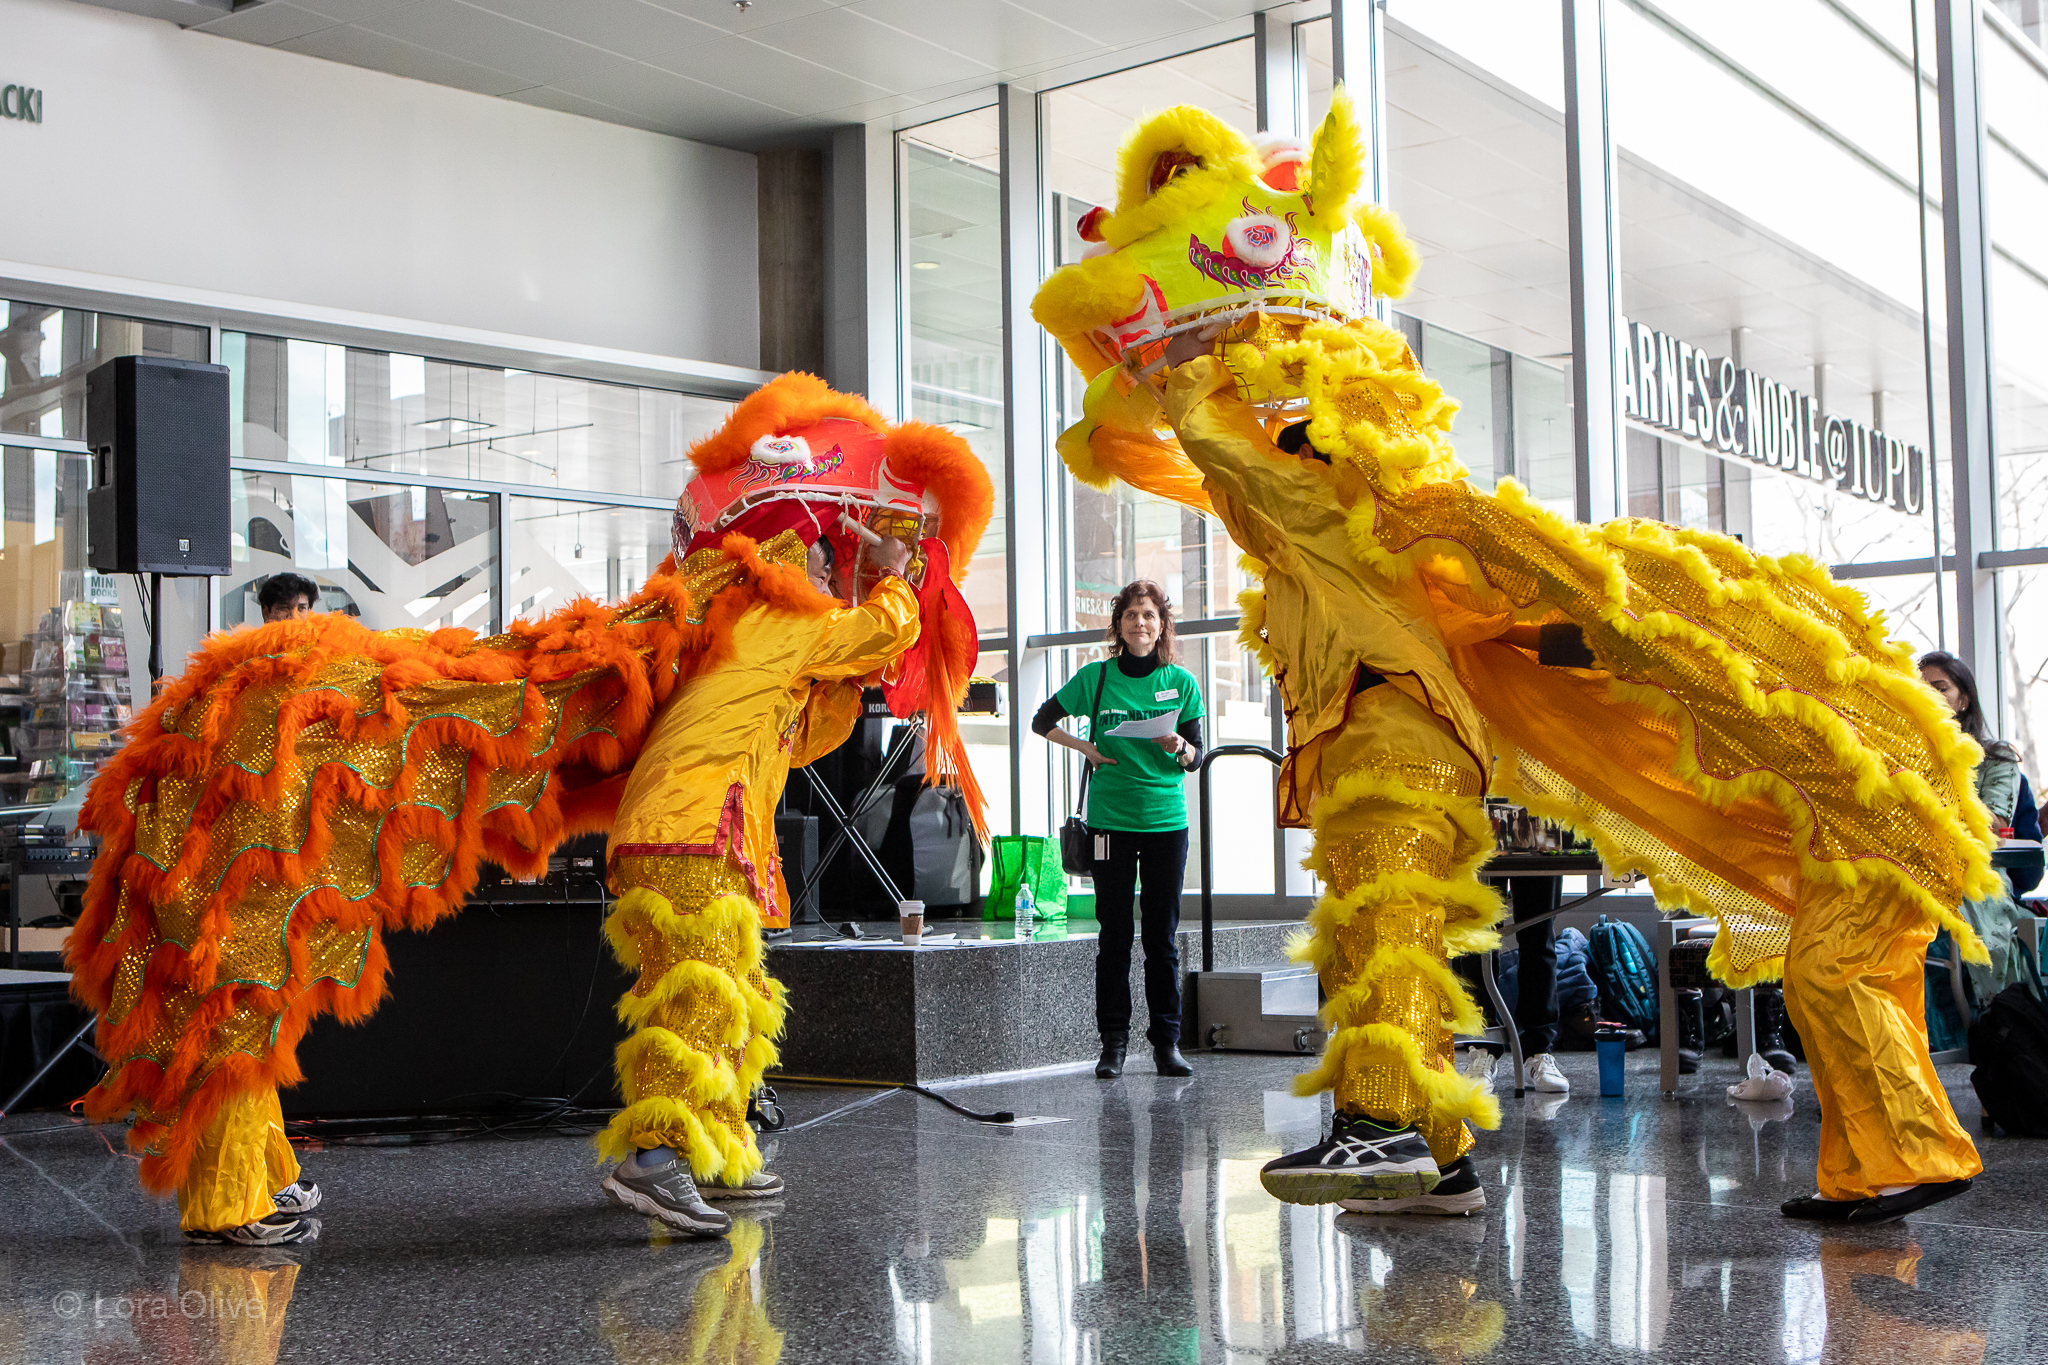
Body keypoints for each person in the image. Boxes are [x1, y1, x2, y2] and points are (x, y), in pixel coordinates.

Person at [1031, 92, 1996, 1224]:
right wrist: (1166, 385)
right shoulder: (1287, 462)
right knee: (1383, 925)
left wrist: (1198, 371)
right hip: (1365, 719)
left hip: (1397, 716)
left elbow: (1249, 467)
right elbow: (1191, 465)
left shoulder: (1328, 459)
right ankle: (1434, 1158)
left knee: (1386, 911)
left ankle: (1387, 1121)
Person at [64, 373, 992, 1246]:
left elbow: (807, 729)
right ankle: (657, 1154)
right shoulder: (773, 608)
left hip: (721, 831)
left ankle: (715, 1150)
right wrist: (902, 573)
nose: (857, 562)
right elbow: (879, 629)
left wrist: (880, 590)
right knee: (700, 988)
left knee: (736, 993)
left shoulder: (746, 625)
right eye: (849, 542)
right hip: (688, 832)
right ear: (812, 540)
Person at [1032, 580, 1206, 1079]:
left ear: (1162, 624)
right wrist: (1085, 748)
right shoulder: (1098, 678)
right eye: (1131, 614)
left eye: (1149, 615)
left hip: (1165, 823)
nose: (1140, 623)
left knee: (1161, 938)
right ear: (1119, 625)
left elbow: (1198, 757)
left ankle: (1166, 1044)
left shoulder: (1182, 682)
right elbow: (1043, 720)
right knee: (1114, 935)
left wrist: (1178, 747)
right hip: (1109, 822)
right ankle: (1112, 1044)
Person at [1920, 650, 2029, 1002]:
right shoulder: (1904, 758)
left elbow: (1993, 822)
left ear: (1963, 700)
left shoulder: (1996, 757)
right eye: (1921, 690)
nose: (1930, 697)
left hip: (1975, 879)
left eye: (1941, 688)